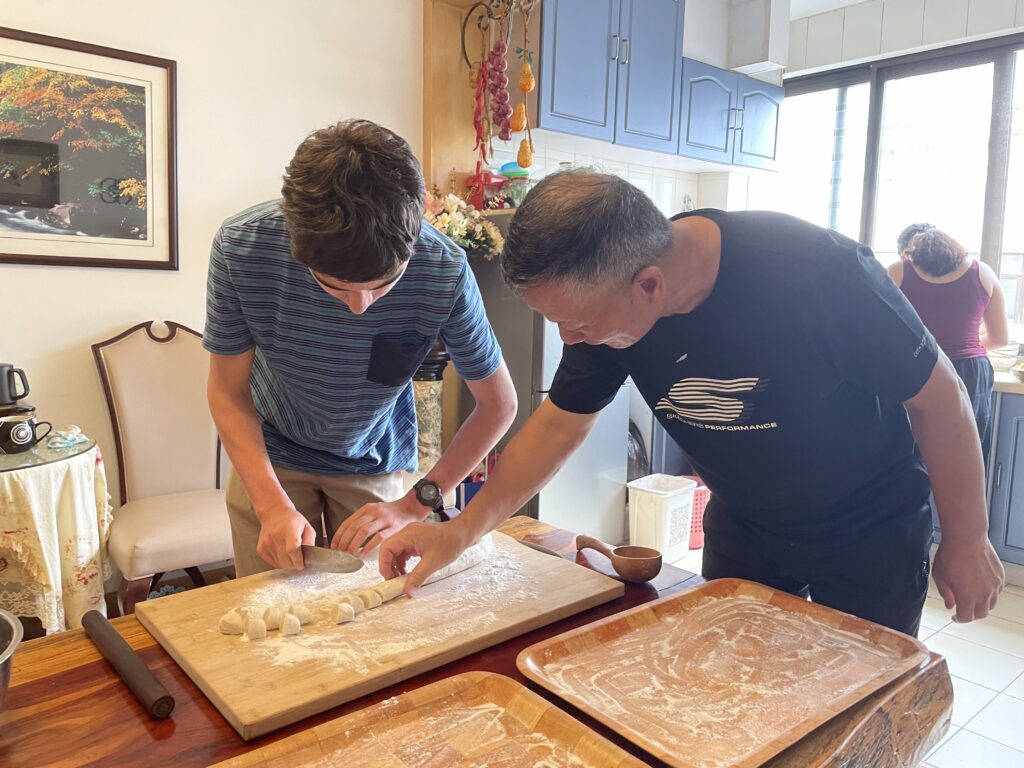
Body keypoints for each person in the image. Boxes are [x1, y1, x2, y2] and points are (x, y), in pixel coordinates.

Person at [380, 170, 1005, 634]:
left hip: (870, 526)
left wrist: (968, 537)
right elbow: (555, 428)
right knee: (730, 688)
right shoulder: (610, 301)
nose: (571, 340)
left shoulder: (817, 273)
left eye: (576, 324)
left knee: (861, 705)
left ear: (649, 286)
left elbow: (939, 398)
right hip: (749, 525)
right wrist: (460, 531)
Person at [204, 119, 517, 577]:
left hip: (373, 459)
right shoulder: (242, 249)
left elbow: (499, 405)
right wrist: (270, 505)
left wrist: (415, 504)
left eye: (382, 285)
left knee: (378, 613)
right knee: (270, 623)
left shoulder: (443, 270)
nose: (359, 308)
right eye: (336, 288)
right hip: (271, 459)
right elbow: (227, 391)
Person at [888, 225, 1008, 464]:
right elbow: (999, 338)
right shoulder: (983, 273)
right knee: (965, 458)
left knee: (907, 456)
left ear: (908, 254)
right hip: (970, 372)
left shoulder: (898, 271)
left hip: (916, 368)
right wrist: (964, 344)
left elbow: (876, 329)